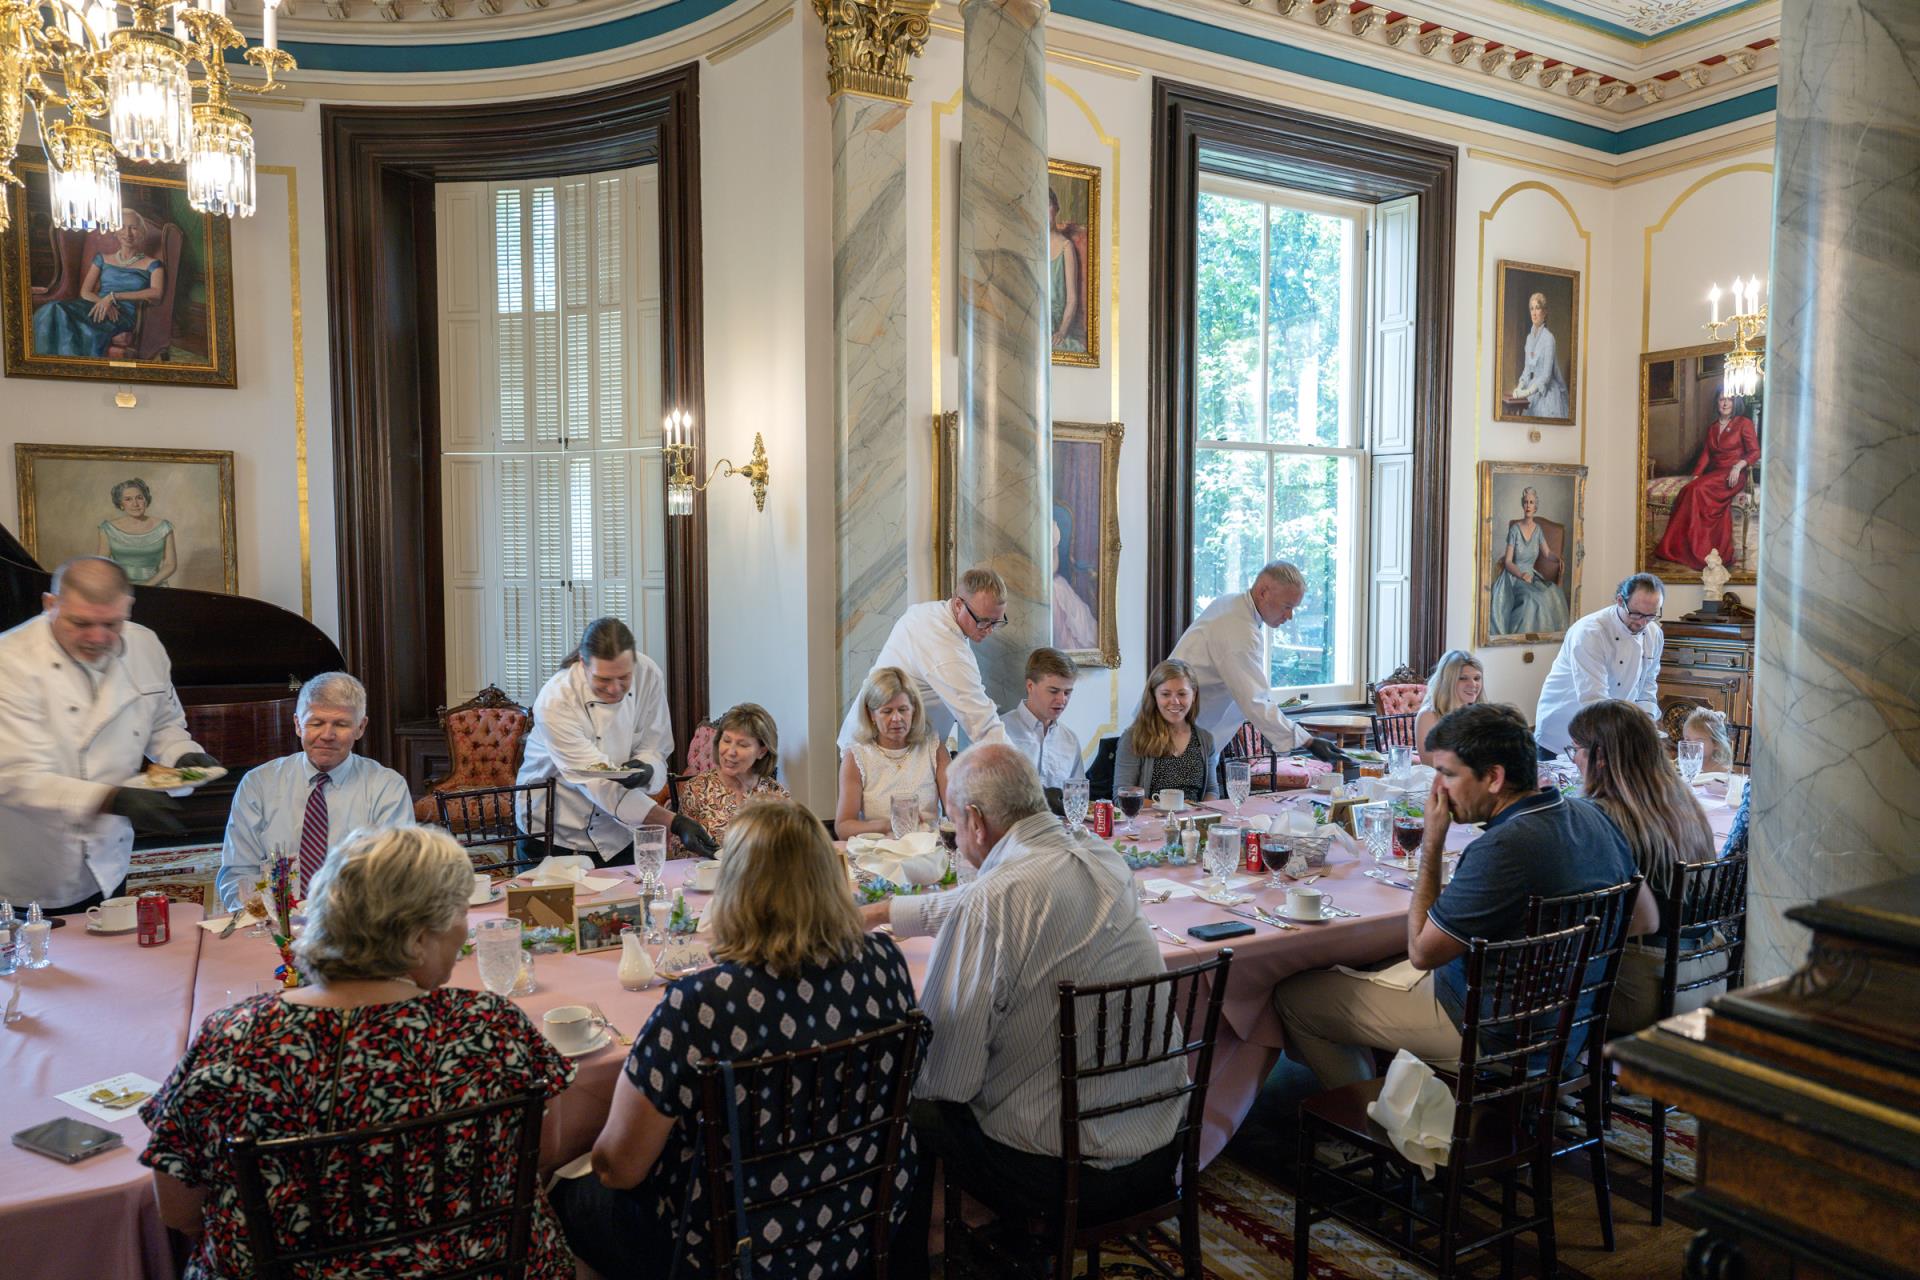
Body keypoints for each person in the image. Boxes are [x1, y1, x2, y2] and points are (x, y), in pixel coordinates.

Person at [139, 827, 577, 1279]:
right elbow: (545, 1155)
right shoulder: (493, 1027)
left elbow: (176, 1210)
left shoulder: (233, 1039)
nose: (465, 930)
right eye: (461, 914)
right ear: (419, 937)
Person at [553, 803, 920, 1279]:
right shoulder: (886, 964)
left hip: (727, 1246)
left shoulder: (703, 1004)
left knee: (563, 1195)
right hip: (859, 1221)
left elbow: (618, 1168)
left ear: (734, 889)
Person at [897, 746, 1183, 1277]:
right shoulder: (1105, 859)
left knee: (912, 1103)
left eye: (955, 826)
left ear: (977, 823)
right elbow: (996, 900)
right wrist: (888, 912)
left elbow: (948, 1083)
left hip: (1065, 1170)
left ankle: (924, 1258)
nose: (957, 840)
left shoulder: (995, 899)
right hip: (1162, 1147)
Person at [1273, 703, 1653, 1089]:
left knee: (1297, 997)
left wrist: (1432, 843)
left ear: (1493, 777)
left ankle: (1368, 1117)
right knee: (1375, 964)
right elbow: (1640, 918)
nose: (1438, 789)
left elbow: (1422, 953)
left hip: (1489, 1032)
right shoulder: (1597, 818)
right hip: (1571, 1024)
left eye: (1447, 774)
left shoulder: (1504, 847)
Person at [0, 557, 218, 913]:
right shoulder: (9, 661)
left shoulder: (145, 646)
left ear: (127, 608)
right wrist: (112, 799)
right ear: (50, 605)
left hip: (109, 856)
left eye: (111, 623)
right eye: (81, 623)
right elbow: (14, 777)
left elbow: (164, 722)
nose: (98, 637)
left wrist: (181, 754)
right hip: (31, 864)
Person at [1566, 701, 1724, 1034]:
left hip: (1649, 986)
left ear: (1601, 757)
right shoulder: (1683, 801)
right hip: (1710, 971)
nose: (1575, 760)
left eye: (1577, 750)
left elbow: (1621, 918)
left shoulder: (1602, 815)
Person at [517, 616, 715, 865]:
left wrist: (646, 767)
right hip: (554, 827)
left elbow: (656, 745)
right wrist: (674, 822)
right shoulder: (556, 700)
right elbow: (597, 782)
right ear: (582, 664)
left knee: (622, 902)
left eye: (624, 677)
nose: (615, 688)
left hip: (618, 831)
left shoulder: (649, 674)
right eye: (603, 680)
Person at [215, 672, 414, 911]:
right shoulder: (258, 784)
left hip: (357, 925)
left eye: (341, 724)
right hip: (274, 924)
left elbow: (397, 875)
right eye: (316, 723)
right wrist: (262, 917)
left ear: (360, 727)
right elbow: (238, 873)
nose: (327, 735)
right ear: (298, 724)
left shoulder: (387, 787)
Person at [1169, 560, 1344, 771]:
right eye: (1287, 606)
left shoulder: (1233, 605)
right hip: (1172, 738)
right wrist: (1309, 742)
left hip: (1192, 736)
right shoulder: (1238, 628)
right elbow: (1255, 700)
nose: (1289, 616)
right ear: (1263, 592)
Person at [835, 566, 1012, 752]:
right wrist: (1020, 770)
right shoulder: (942, 644)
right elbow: (980, 721)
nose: (989, 630)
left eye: (997, 622)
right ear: (959, 605)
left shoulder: (931, 612)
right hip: (876, 749)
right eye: (983, 621)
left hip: (911, 747)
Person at [1534, 573, 1667, 756]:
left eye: (1651, 615)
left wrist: (1647, 721)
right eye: (1636, 614)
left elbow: (1648, 683)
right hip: (1565, 728)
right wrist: (1627, 735)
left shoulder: (1653, 633)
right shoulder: (1591, 632)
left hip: (1613, 730)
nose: (1643, 622)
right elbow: (1593, 698)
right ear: (1620, 601)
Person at [32, 208, 168, 359]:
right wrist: (104, 302)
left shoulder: (153, 264)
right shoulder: (102, 258)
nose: (128, 233)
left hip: (122, 315)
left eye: (133, 228)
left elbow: (156, 293)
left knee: (61, 314)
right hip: (97, 306)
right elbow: (85, 292)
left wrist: (113, 297)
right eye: (122, 227)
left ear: (141, 233)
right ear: (115, 231)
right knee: (53, 308)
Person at [837, 666, 950, 838]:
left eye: (903, 709)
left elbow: (956, 813)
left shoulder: (934, 749)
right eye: (887, 711)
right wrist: (889, 824)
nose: (897, 718)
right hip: (878, 855)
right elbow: (844, 827)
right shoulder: (856, 756)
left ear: (914, 710)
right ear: (871, 715)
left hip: (928, 851)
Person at [1654, 393, 1761, 572]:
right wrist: (1696, 475)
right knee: (1689, 489)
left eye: (1729, 399)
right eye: (1721, 400)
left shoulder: (1744, 423)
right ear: (1717, 403)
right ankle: (1686, 546)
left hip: (1734, 475)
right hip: (1717, 474)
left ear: (1735, 402)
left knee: (1697, 491)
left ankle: (1700, 550)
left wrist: (1738, 466)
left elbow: (1755, 452)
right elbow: (1706, 455)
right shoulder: (1712, 428)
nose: (1725, 403)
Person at [670, 701, 789, 852]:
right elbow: (679, 850)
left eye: (743, 745)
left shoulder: (777, 795)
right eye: (726, 740)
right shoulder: (698, 789)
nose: (731, 751)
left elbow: (788, 850)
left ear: (762, 751)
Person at [1113, 658, 1218, 805]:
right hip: (1150, 824)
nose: (1174, 701)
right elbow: (1121, 797)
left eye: (1182, 694)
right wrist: (1172, 808)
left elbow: (1212, 791)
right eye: (1165, 694)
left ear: (1193, 695)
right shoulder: (1133, 738)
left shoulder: (1206, 739)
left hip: (1192, 824)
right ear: (1154, 696)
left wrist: (1198, 809)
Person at [1001, 646, 1085, 803]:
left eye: (1067, 692)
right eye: (1053, 691)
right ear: (1030, 686)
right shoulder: (1000, 731)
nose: (1062, 700)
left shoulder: (1070, 740)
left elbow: (1078, 799)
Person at [1488, 486, 1569, 636]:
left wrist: (1558, 559)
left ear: (1535, 506)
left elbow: (1547, 553)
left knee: (1551, 592)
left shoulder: (1537, 530)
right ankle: (1521, 639)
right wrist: (1521, 575)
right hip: (1514, 577)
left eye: (1531, 502)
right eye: (1525, 502)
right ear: (1522, 504)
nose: (1528, 505)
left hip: (1532, 576)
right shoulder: (1515, 530)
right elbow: (1508, 562)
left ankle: (1547, 640)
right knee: (1533, 599)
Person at [96, 477, 177, 588]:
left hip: (154, 588)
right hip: (119, 587)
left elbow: (170, 565)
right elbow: (102, 564)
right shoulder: (108, 528)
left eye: (139, 498)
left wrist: (147, 586)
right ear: (121, 504)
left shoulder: (164, 527)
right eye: (128, 499)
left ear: (146, 500)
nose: (135, 504)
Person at [1510, 290, 1569, 418]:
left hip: (1546, 391)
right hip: (1531, 387)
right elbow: (1527, 369)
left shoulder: (1549, 338)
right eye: (1532, 309)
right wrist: (1520, 387)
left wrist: (1527, 392)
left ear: (1544, 312)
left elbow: (1546, 375)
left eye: (1537, 308)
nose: (1534, 313)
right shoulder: (1529, 338)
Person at [1414, 649, 1485, 750]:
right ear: (1447, 682)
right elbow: (1430, 762)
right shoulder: (1428, 716)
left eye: (1477, 678)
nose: (1473, 684)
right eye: (1463, 678)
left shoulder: (1481, 714)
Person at [1049, 186, 1086, 354]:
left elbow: (1072, 298)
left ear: (1056, 208)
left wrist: (1062, 331)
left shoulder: (1066, 247)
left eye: (1048, 205)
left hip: (1056, 319)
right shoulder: (1033, 246)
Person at [1681, 707, 1736, 776]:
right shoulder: (1681, 767)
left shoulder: (1722, 772)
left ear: (1716, 743)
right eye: (1687, 740)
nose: (1692, 746)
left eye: (1699, 741)